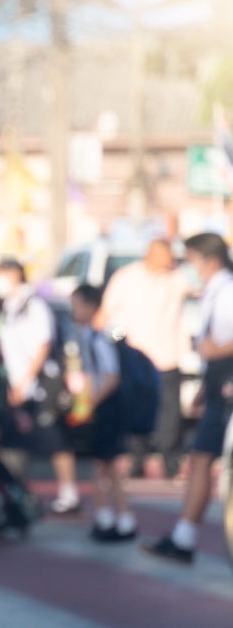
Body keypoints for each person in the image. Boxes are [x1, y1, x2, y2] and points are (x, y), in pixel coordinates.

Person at [144, 233, 233, 563]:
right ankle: (184, 536)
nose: (186, 268)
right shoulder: (214, 291)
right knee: (200, 458)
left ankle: (185, 537)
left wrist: (214, 351)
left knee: (202, 458)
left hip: (227, 386)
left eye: (190, 260)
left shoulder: (226, 291)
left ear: (209, 261)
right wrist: (204, 385)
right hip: (218, 385)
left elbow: (221, 343)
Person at [0, 259, 79, 514]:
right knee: (11, 444)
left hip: (39, 385)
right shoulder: (10, 306)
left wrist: (26, 381)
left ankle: (69, 494)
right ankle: (15, 493)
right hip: (17, 385)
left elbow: (43, 346)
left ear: (14, 274)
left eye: (0, 275)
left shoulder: (35, 305)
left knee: (56, 441)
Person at [94, 239, 188, 478]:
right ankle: (137, 460)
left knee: (170, 413)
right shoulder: (126, 278)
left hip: (168, 353)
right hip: (136, 354)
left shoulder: (176, 277)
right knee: (137, 411)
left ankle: (171, 461)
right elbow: (105, 313)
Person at [71, 285, 138, 541]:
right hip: (102, 405)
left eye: (76, 306)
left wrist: (90, 403)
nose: (74, 312)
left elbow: (110, 378)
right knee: (104, 466)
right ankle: (115, 518)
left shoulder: (99, 339)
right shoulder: (89, 336)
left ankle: (115, 519)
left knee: (104, 466)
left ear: (90, 307)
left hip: (106, 407)